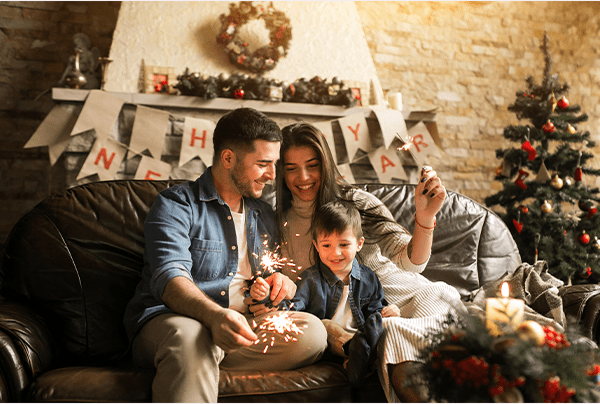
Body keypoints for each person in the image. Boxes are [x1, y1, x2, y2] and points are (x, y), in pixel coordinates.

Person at [123, 108, 327, 403]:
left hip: (241, 326)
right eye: (263, 164)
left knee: (312, 333)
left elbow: (269, 276)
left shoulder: (264, 214)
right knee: (190, 337)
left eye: (274, 164)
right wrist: (215, 317)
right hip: (175, 321)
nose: (272, 175)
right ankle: (198, 353)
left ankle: (202, 361)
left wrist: (280, 286)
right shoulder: (177, 204)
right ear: (228, 158)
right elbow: (169, 277)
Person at [268, 122, 464, 403]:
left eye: (313, 165)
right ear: (280, 173)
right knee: (388, 340)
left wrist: (425, 217)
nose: (303, 176)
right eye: (291, 168)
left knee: (396, 336)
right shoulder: (279, 224)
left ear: (326, 164)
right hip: (370, 324)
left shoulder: (356, 203)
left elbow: (412, 263)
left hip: (412, 299)